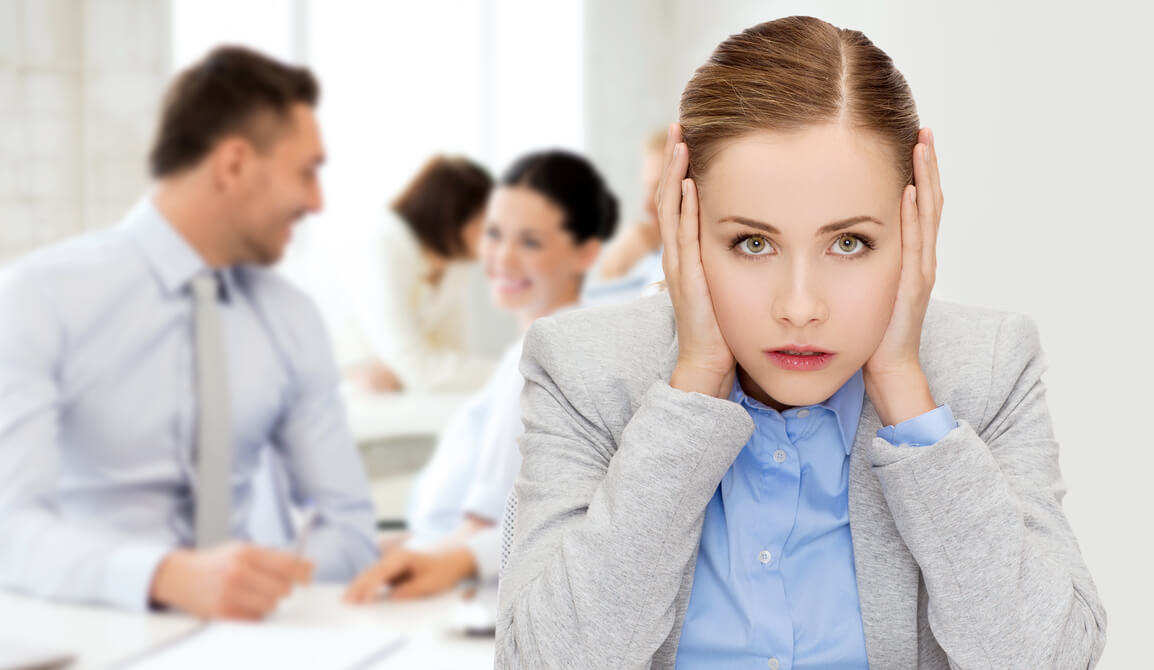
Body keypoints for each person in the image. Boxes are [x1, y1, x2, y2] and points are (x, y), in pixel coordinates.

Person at [495, 16, 1106, 669]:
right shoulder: (584, 371)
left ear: (916, 224)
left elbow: (1049, 658)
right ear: (684, 227)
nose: (799, 308)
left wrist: (907, 393)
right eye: (752, 243)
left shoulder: (986, 368)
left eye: (850, 243)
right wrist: (694, 383)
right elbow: (545, 660)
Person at [0, 46, 378, 620]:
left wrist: (255, 586)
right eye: (307, 171)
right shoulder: (38, 296)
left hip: (253, 641)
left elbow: (348, 527)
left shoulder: (292, 316)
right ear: (233, 165)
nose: (317, 203)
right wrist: (167, 578)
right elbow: (10, 527)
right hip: (91, 632)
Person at [343, 150, 618, 603]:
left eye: (530, 242)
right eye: (493, 234)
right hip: (443, 564)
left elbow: (489, 524)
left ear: (585, 252)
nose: (502, 258)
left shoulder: (540, 362)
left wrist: (409, 563)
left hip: (457, 590)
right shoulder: (529, 354)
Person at [335, 156, 498, 393]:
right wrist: (510, 373)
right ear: (454, 215)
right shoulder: (383, 245)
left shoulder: (455, 265)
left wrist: (408, 374)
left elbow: (454, 357)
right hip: (349, 392)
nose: (497, 239)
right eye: (490, 224)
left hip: (397, 398)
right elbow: (416, 366)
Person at [592, 127, 668, 286]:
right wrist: (616, 265)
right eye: (647, 188)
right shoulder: (654, 255)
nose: (646, 207)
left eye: (659, 188)